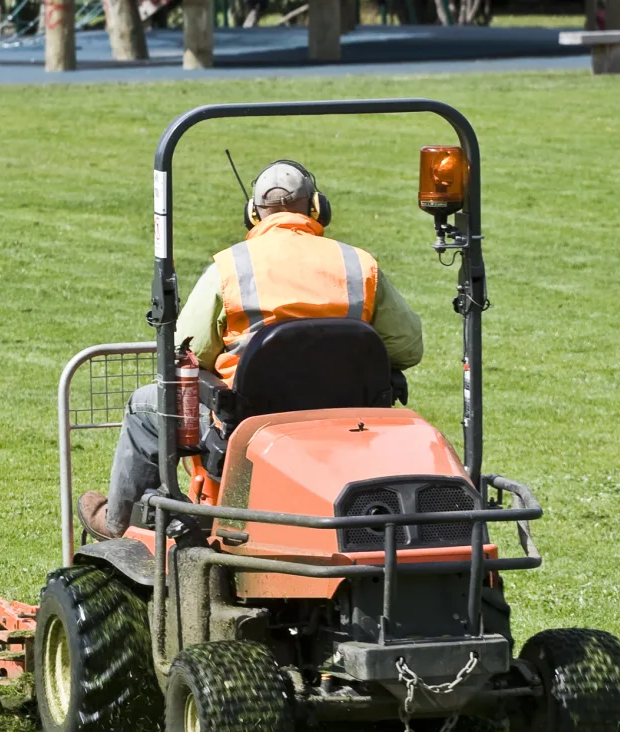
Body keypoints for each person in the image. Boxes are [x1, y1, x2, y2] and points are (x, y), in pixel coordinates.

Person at [79, 160, 424, 539]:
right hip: (346, 426)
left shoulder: (231, 268)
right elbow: (408, 347)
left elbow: (183, 351)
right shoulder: (359, 265)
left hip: (249, 427)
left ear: (253, 214)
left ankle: (120, 525)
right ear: (317, 207)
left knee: (143, 406)